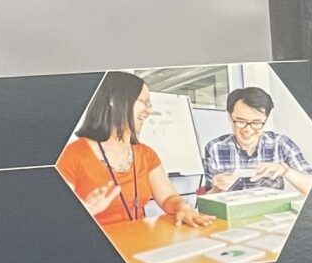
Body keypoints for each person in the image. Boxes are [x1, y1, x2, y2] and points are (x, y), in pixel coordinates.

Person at [55, 71, 220, 232]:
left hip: (139, 245)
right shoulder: (73, 155)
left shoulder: (146, 154)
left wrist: (182, 207)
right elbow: (55, 219)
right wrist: (84, 212)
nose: (149, 111)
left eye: (150, 105)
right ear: (114, 101)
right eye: (144, 102)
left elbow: (168, 198)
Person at [201, 85, 312, 195]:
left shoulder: (281, 144)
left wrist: (285, 171)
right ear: (230, 117)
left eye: (256, 123)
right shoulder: (214, 148)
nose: (248, 130)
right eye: (240, 121)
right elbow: (206, 196)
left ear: (266, 120)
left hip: (272, 212)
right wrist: (216, 189)